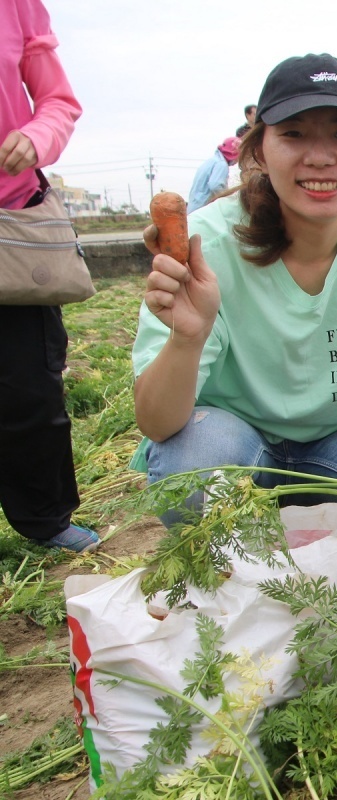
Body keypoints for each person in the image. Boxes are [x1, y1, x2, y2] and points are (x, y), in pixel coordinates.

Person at [133, 53, 337, 517]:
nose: (319, 157)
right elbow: (156, 422)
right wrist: (186, 339)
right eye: (293, 134)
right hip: (230, 437)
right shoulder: (203, 244)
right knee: (189, 472)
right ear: (258, 150)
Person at [0, 0, 93, 553]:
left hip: (12, 225)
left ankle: (45, 518)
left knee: (29, 385)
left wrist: (37, 135)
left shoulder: (17, 7)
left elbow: (58, 101)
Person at [186, 137, 240, 213]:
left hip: (194, 207)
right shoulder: (221, 164)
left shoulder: (211, 161)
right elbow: (215, 185)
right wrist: (227, 199)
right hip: (203, 208)